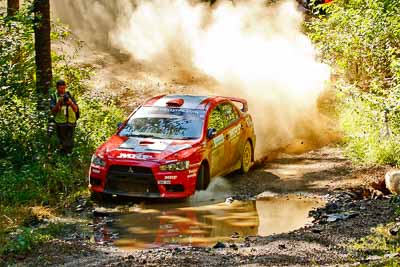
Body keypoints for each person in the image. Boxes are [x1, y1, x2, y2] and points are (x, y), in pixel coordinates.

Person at [50, 80, 79, 154]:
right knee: (62, 141)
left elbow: (76, 109)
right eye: (60, 88)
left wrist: (70, 103)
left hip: (71, 121)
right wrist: (59, 102)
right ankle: (63, 156)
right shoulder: (54, 96)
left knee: (70, 141)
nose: (62, 90)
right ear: (57, 88)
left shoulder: (70, 95)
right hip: (60, 122)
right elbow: (53, 111)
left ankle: (69, 156)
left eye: (64, 88)